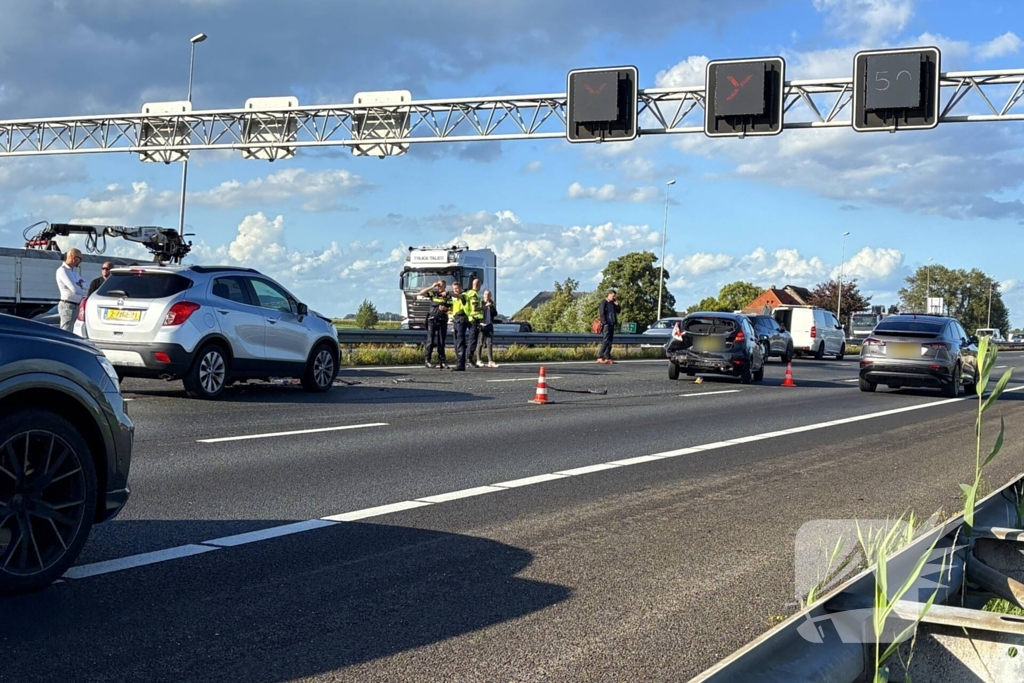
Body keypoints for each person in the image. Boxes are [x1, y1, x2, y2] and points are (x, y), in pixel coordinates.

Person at [418, 279, 452, 368]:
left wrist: (445, 309)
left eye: (441, 285)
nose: (439, 287)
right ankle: (427, 361)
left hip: (442, 320)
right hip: (432, 320)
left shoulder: (448, 296)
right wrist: (432, 286)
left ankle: (442, 361)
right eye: (438, 285)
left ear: (444, 286)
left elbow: (451, 309)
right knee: (430, 341)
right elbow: (421, 293)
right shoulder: (434, 294)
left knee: (441, 342)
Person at [55, 248, 87, 332]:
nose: (80, 261)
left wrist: (81, 286)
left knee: (74, 331)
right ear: (73, 257)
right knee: (66, 331)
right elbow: (75, 289)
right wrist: (84, 291)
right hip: (68, 305)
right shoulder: (62, 271)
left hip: (76, 305)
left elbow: (86, 284)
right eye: (80, 258)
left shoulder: (74, 272)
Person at [449, 281, 471, 371]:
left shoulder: (464, 295)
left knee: (460, 342)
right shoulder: (454, 299)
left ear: (461, 288)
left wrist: (449, 293)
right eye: (454, 289)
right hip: (456, 319)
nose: (455, 290)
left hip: (462, 319)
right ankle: (459, 362)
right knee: (456, 342)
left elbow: (460, 296)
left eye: (457, 288)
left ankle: (461, 364)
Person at [475, 290, 499, 368]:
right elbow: (477, 311)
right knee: (480, 343)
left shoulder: (491, 303)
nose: (487, 296)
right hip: (482, 325)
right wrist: (485, 306)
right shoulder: (481, 302)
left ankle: (490, 361)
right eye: (486, 294)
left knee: (489, 343)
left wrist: (491, 306)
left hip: (489, 325)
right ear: (483, 295)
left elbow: (495, 313)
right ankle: (478, 360)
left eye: (488, 294)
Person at [598, 289, 620, 364]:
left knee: (610, 341)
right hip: (607, 324)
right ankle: (600, 356)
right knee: (605, 340)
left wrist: (617, 305)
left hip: (612, 323)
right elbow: (602, 313)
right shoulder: (604, 302)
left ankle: (607, 356)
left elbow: (618, 311)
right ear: (609, 295)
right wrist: (605, 323)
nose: (613, 297)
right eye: (613, 296)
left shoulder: (613, 303)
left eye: (614, 296)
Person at [465, 278, 483, 363]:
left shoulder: (468, 293)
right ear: (478, 285)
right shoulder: (474, 294)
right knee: (473, 340)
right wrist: (484, 308)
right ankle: (469, 359)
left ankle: (468, 358)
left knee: (471, 340)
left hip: (469, 318)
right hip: (474, 319)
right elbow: (474, 308)